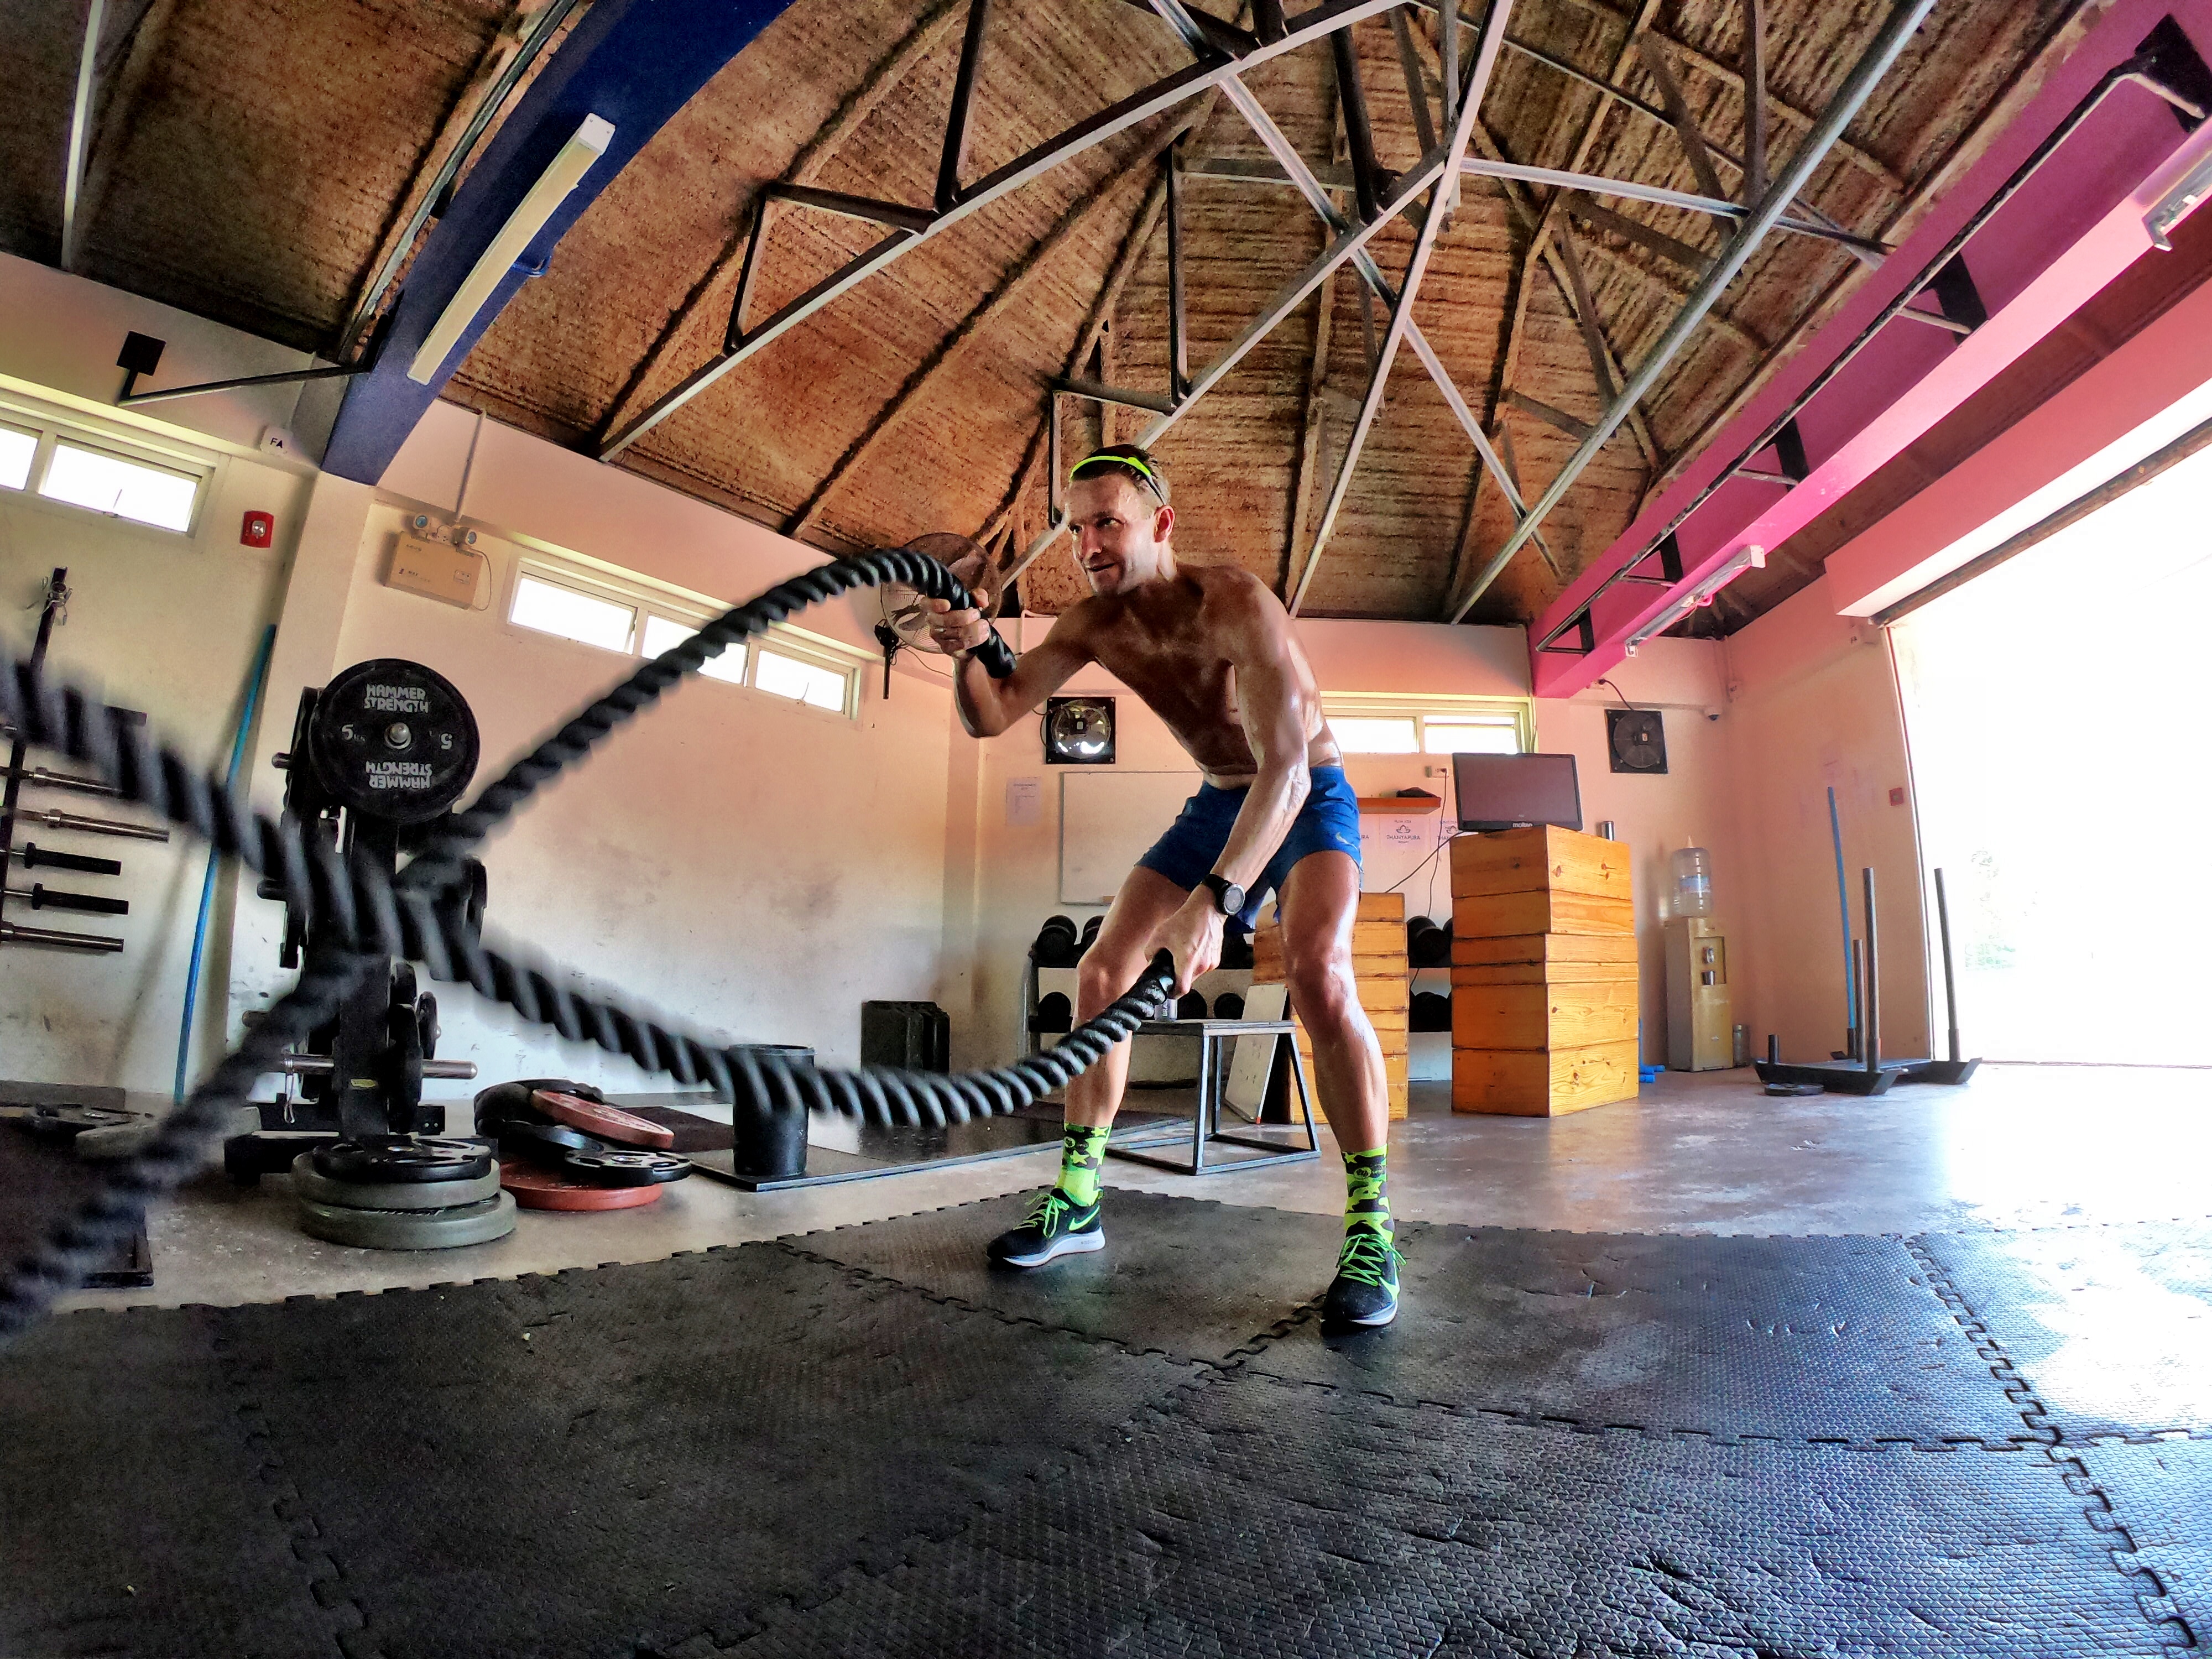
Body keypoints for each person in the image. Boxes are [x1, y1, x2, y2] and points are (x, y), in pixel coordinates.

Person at [925, 444, 1399, 1328]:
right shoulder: (1093, 624)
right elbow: (993, 713)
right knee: (1103, 975)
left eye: (1107, 523)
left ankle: (1371, 1224)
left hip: (1304, 793)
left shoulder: (1237, 604)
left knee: (1318, 972)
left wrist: (1214, 903)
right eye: (1076, 529)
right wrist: (970, 644)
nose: (1088, 546)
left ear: (1161, 525)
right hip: (1219, 800)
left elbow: (1287, 770)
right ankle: (1079, 1198)